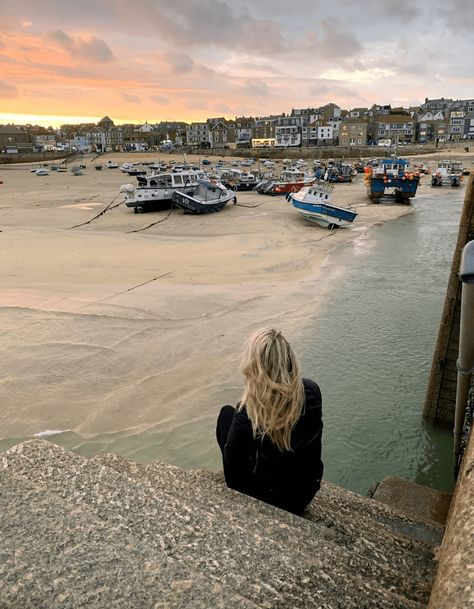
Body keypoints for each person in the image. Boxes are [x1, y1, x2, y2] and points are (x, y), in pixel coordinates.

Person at [216, 327, 323, 515]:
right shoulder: (311, 391)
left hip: (269, 499)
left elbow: (234, 479)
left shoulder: (249, 410)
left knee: (226, 415)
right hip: (304, 494)